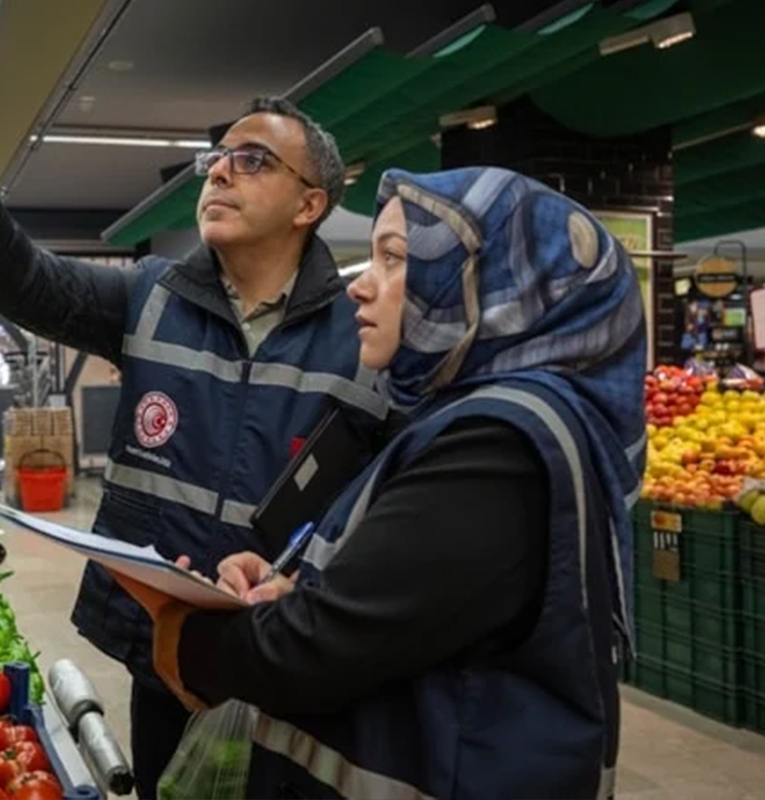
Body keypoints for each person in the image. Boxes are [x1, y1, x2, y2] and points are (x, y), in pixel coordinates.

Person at [0, 34, 388, 797]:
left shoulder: (362, 338)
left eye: (253, 161)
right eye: (218, 158)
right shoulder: (152, 295)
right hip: (166, 651)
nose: (220, 173)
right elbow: (22, 277)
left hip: (293, 659)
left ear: (311, 204)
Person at [116, 166, 648, 799]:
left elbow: (319, 649)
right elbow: (407, 609)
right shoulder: (467, 420)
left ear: (497, 284)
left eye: (395, 260)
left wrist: (189, 636)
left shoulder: (497, 448)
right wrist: (295, 584)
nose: (360, 289)